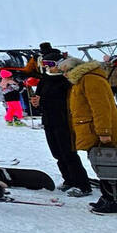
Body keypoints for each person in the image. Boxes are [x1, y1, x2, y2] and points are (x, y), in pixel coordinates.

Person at [62, 56, 117, 214]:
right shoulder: (83, 80)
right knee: (101, 165)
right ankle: (107, 197)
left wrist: (104, 132)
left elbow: (101, 108)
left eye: (66, 71)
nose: (64, 75)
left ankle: (113, 201)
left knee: (108, 165)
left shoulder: (90, 80)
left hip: (97, 132)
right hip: (91, 131)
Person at [30, 48, 92, 197]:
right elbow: (40, 97)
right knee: (57, 153)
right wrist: (36, 102)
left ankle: (82, 184)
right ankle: (69, 180)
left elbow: (69, 101)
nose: (48, 67)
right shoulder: (46, 78)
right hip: (49, 120)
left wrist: (43, 100)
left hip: (64, 120)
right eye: (45, 64)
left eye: (50, 64)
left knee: (68, 153)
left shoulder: (67, 79)